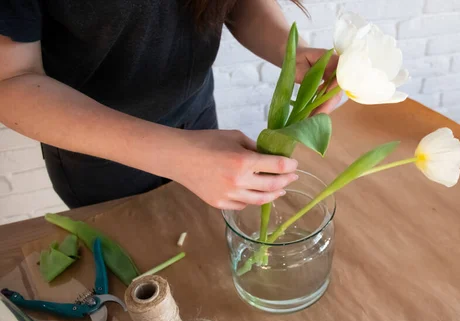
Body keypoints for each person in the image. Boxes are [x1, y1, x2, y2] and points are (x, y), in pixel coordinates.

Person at [0, 0, 341, 210]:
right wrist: (181, 157)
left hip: (199, 118)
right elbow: (12, 81)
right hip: (101, 158)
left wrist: (289, 52)